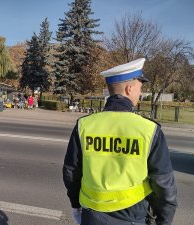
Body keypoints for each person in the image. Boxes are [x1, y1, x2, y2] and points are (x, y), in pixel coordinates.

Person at [63, 58, 177, 225]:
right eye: (140, 88)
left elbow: (71, 172)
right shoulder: (149, 130)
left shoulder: (84, 125)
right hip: (132, 217)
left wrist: (75, 205)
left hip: (91, 215)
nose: (140, 94)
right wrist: (164, 221)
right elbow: (164, 185)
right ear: (129, 89)